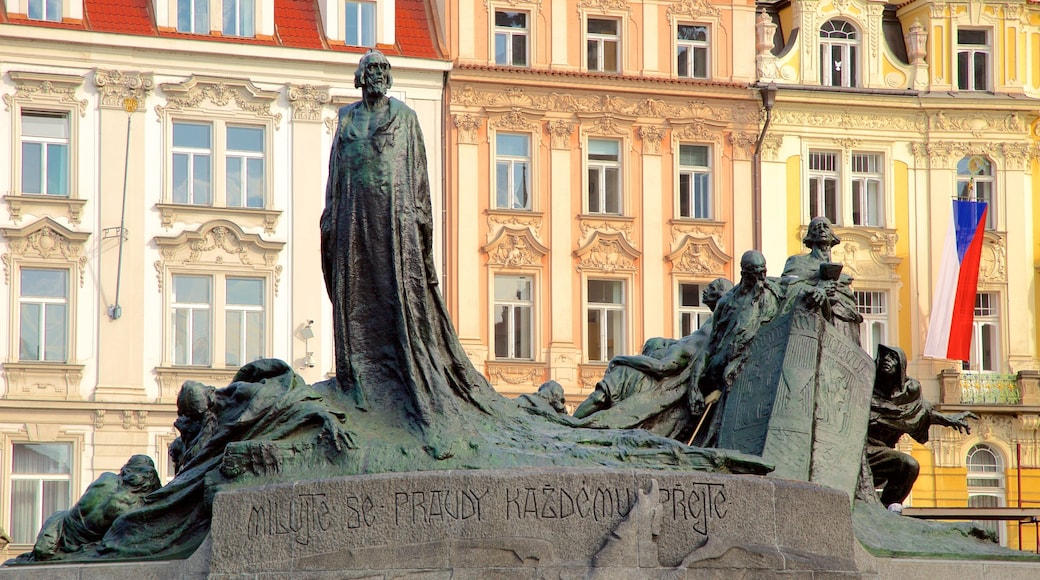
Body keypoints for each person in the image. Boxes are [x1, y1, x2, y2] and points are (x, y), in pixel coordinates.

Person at [320, 49, 496, 428]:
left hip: (394, 221)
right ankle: (361, 383)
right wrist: (330, 217)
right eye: (372, 69)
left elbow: (419, 181)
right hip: (353, 217)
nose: (379, 75)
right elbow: (334, 175)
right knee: (355, 296)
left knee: (398, 298)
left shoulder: (405, 118)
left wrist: (423, 234)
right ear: (360, 75)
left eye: (385, 68)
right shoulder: (345, 118)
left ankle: (406, 381)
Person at [571, 278, 733, 441]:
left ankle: (571, 424)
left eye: (711, 288)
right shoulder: (702, 331)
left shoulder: (684, 349)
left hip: (661, 376)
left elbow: (662, 367)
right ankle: (571, 424)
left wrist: (622, 359)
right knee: (609, 388)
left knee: (611, 386)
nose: (705, 290)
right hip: (662, 372)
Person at [867, 344, 976, 513]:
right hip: (860, 448)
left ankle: (886, 508)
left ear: (901, 367)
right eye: (885, 356)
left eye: (893, 358)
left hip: (879, 452)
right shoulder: (865, 385)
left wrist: (948, 420)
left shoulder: (907, 394)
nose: (887, 361)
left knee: (909, 465)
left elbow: (923, 413)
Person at [696, 251, 782, 446]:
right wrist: (695, 383)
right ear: (744, 273)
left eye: (763, 272)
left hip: (754, 367)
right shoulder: (726, 303)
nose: (761, 278)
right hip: (721, 371)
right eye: (755, 273)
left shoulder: (773, 296)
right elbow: (710, 346)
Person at [10, 455, 161, 563]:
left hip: (60, 524)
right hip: (85, 540)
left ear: (126, 469)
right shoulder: (137, 506)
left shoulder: (107, 477)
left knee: (38, 556)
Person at [780, 216, 861, 329]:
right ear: (810, 235)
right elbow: (786, 286)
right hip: (805, 322)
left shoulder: (841, 277)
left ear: (832, 235)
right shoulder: (797, 261)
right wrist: (817, 288)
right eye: (817, 227)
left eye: (825, 227)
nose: (821, 229)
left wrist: (834, 296)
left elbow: (849, 304)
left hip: (834, 327)